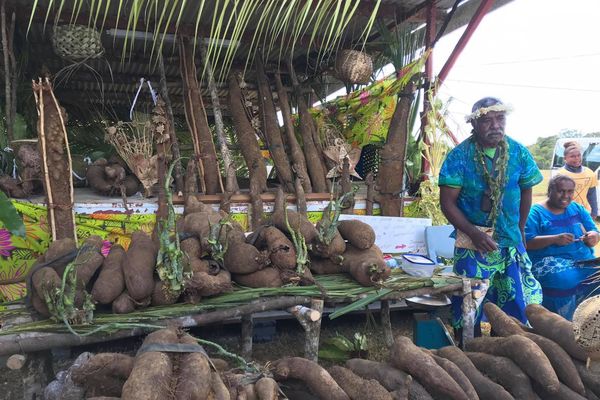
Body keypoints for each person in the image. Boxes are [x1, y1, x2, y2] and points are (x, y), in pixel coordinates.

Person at [439, 97, 543, 336]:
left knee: (514, 300)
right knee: (469, 302)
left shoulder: (518, 152)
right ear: (474, 125)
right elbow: (447, 203)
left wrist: (520, 229)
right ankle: (469, 351)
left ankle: (507, 348)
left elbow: (527, 190)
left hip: (509, 240)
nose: (495, 125)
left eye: (500, 119)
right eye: (487, 121)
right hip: (473, 243)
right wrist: (474, 233)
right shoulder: (459, 156)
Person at [525, 174, 599, 320]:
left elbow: (595, 231)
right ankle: (561, 324)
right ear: (550, 190)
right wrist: (554, 239)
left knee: (596, 277)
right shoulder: (535, 212)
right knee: (563, 280)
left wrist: (593, 237)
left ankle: (589, 321)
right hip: (547, 262)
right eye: (561, 191)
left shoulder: (577, 208)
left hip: (582, 260)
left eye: (570, 191)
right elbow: (527, 242)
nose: (566, 196)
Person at [558, 140, 598, 219]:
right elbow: (555, 197)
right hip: (565, 214)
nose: (577, 158)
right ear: (565, 158)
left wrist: (594, 212)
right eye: (572, 156)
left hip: (585, 213)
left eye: (579, 155)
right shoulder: (560, 175)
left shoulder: (590, 173)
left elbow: (592, 195)